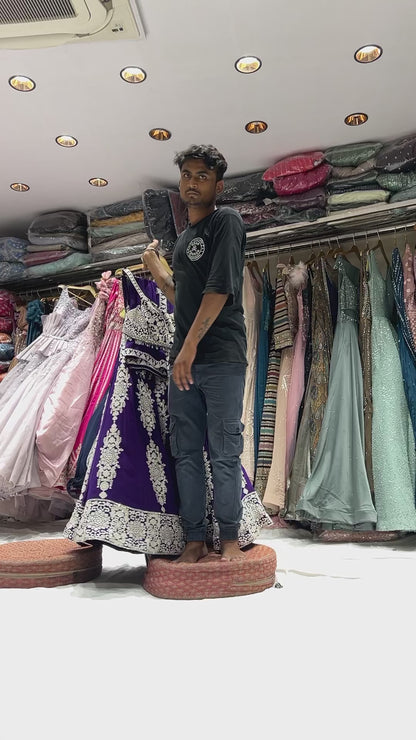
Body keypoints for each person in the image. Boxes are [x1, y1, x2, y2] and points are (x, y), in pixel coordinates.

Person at [142, 144, 247, 563]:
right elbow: (180, 295)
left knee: (224, 451)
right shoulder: (183, 238)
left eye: (202, 176)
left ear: (217, 185)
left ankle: (232, 539)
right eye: (187, 174)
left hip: (219, 356)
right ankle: (194, 541)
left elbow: (219, 290)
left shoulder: (227, 222)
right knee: (185, 451)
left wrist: (186, 350)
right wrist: (156, 267)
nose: (192, 182)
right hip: (184, 361)